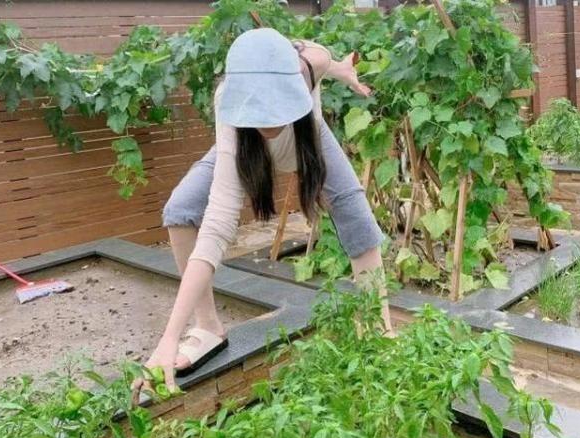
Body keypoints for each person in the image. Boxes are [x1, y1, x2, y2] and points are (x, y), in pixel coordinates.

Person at [132, 28, 394, 397]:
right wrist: (168, 338)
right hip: (243, 155)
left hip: (310, 145)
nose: (268, 121)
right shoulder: (228, 105)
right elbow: (215, 230)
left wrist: (343, 71)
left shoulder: (309, 61)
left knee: (357, 218)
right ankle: (207, 328)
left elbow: (325, 62)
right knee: (181, 209)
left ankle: (378, 330)